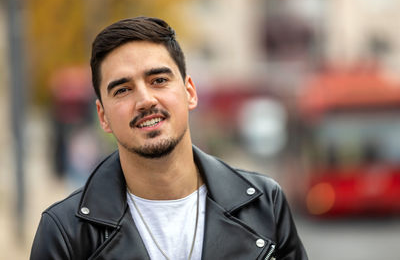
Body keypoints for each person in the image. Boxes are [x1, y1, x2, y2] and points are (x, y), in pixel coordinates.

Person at [30, 17, 308, 260]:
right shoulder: (65, 231)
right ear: (103, 116)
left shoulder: (264, 203)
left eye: (159, 80)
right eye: (123, 90)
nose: (145, 100)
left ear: (190, 92)